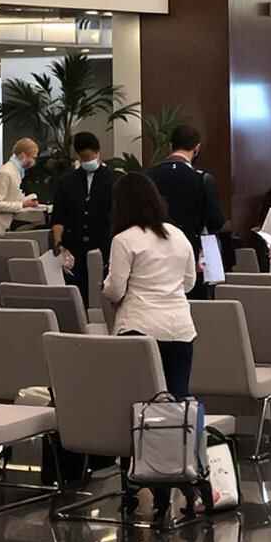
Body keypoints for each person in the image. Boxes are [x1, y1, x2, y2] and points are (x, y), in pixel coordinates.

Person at [104, 171, 199, 399]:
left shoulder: (124, 239)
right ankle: (175, 437)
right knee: (176, 405)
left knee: (139, 402)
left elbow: (115, 290)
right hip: (180, 330)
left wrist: (105, 286)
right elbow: (189, 283)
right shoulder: (177, 235)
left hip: (140, 326)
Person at [148, 122, 227, 299]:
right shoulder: (202, 179)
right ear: (197, 148)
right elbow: (216, 221)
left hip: (155, 257)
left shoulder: (149, 176)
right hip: (192, 258)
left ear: (170, 146)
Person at [51, 132, 116, 300]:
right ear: (78, 156)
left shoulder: (114, 179)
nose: (88, 161)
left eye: (90, 157)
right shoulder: (67, 181)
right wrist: (58, 244)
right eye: (84, 158)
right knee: (77, 293)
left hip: (104, 245)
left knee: (102, 293)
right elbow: (58, 217)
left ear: (98, 152)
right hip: (74, 246)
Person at [0, 137, 42, 232]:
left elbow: (12, 197)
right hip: (5, 228)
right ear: (23, 155)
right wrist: (23, 204)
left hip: (14, 225)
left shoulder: (17, 171)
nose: (34, 161)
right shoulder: (5, 172)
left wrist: (28, 201)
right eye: (33, 157)